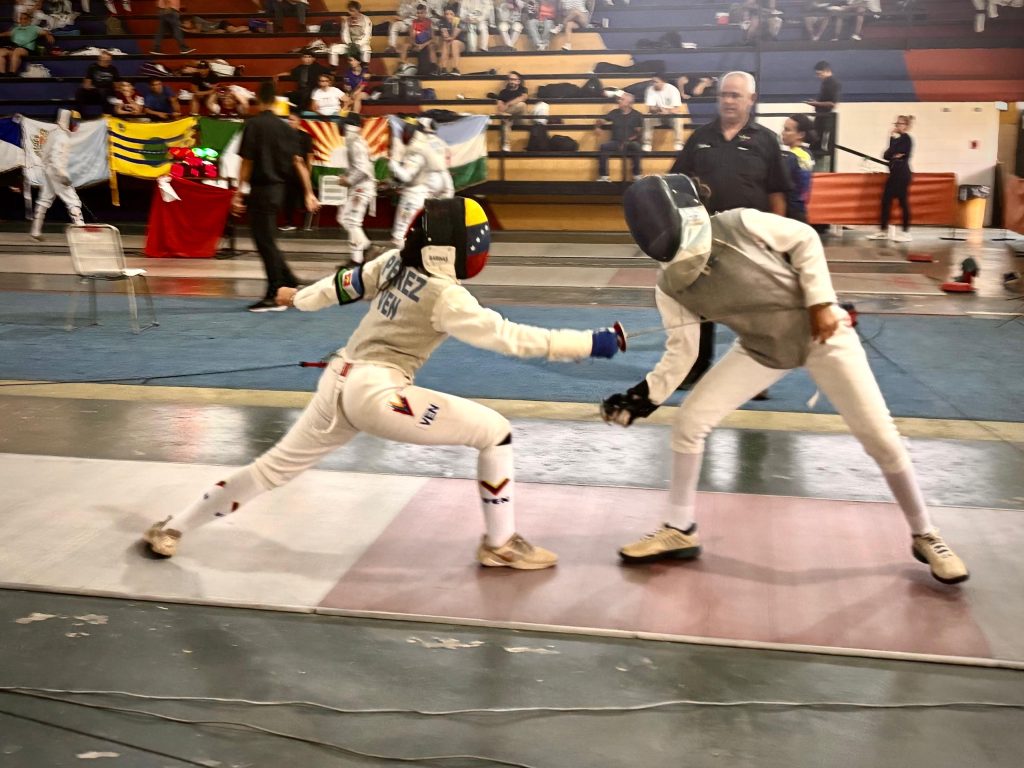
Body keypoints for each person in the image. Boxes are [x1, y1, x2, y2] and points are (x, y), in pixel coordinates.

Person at [143, 196, 626, 568]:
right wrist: (590, 343)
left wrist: (296, 299)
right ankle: (500, 544)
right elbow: (511, 338)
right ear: (456, 250)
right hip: (377, 394)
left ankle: (173, 528)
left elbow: (342, 286)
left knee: (271, 469)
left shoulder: (395, 261)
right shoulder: (447, 297)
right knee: (495, 432)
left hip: (338, 380)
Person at [602, 173, 969, 586]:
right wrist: (644, 396)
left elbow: (805, 239)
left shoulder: (740, 223)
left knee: (881, 439)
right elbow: (682, 352)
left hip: (823, 336)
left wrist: (821, 302)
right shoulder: (670, 285)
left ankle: (925, 534)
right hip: (761, 351)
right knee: (689, 423)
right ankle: (679, 528)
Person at [668, 71, 789, 391]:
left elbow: (777, 192)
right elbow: (676, 184)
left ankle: (756, 373)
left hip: (751, 239)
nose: (728, 101)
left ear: (751, 99)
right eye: (724, 94)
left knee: (755, 309)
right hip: (705, 238)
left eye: (736, 95)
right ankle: (696, 366)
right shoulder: (700, 138)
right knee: (700, 305)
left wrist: (776, 240)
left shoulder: (766, 140)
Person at [232, 81, 321, 312]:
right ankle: (289, 279)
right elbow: (299, 162)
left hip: (261, 189)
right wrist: (309, 193)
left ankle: (275, 293)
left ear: (259, 99)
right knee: (267, 240)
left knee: (264, 242)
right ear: (274, 101)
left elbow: (247, 162)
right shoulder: (286, 128)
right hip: (279, 190)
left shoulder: (253, 125)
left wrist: (239, 192)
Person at [389, 117, 454, 250]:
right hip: (445, 185)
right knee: (430, 228)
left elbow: (407, 176)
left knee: (400, 234)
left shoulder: (418, 147)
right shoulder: (439, 143)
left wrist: (392, 163)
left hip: (419, 190)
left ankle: (403, 258)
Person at [29, 109, 84, 240]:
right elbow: (55, 158)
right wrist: (62, 175)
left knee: (44, 199)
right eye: (74, 121)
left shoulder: (54, 134)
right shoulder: (62, 137)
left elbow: (44, 154)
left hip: (49, 171)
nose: (75, 124)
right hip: (57, 172)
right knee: (73, 200)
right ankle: (81, 231)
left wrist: (48, 170)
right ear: (67, 121)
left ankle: (35, 231)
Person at [337, 111, 377, 264]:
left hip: (362, 188)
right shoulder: (353, 141)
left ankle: (358, 259)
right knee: (344, 218)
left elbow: (362, 170)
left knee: (351, 221)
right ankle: (367, 247)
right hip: (360, 187)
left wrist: (348, 180)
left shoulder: (355, 143)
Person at [867, 115, 914, 243]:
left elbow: (897, 152)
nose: (897, 125)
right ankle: (883, 230)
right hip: (893, 175)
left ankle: (906, 232)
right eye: (896, 123)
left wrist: (893, 150)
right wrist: (892, 140)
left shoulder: (907, 139)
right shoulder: (897, 140)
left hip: (902, 175)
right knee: (885, 201)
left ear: (906, 126)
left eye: (900, 123)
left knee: (903, 202)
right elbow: (886, 155)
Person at [595, 92, 643, 183]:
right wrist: (598, 126)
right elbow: (601, 121)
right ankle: (604, 176)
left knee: (636, 146)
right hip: (616, 142)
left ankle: (637, 174)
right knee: (603, 147)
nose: (619, 101)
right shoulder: (614, 113)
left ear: (629, 103)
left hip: (630, 142)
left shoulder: (637, 115)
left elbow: (639, 133)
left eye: (622, 99)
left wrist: (626, 141)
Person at [280, 110, 314, 232]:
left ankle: (306, 224)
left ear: (299, 122)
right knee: (288, 199)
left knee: (305, 198)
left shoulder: (306, 137)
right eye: (289, 120)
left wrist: (308, 173)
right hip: (288, 172)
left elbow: (309, 157)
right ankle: (289, 223)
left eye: (292, 120)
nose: (290, 122)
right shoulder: (283, 137)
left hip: (301, 173)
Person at [780, 113, 815, 224]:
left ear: (800, 134)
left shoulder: (792, 156)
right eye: (784, 129)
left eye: (787, 130)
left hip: (790, 213)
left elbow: (780, 182)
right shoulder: (807, 153)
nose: (783, 133)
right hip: (800, 211)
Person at [277, 52, 331, 117]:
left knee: (306, 94)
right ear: (302, 58)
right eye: (305, 57)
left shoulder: (319, 68)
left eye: (309, 57)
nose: (307, 59)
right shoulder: (300, 67)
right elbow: (290, 73)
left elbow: (329, 75)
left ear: (313, 59)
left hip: (313, 90)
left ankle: (298, 113)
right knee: (286, 95)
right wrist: (278, 75)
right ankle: (290, 113)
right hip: (301, 90)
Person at [641, 72, 684, 152]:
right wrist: (660, 109)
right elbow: (651, 108)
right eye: (652, 82)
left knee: (678, 118)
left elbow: (677, 109)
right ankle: (647, 143)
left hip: (670, 116)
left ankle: (679, 143)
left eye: (656, 82)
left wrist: (667, 111)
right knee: (647, 118)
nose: (654, 84)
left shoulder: (673, 90)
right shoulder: (650, 89)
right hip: (657, 115)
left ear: (663, 82)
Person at [806, 60, 839, 159]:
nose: (818, 76)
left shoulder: (832, 83)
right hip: (821, 117)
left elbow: (832, 104)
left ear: (826, 70)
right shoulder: (827, 83)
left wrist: (815, 103)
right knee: (815, 142)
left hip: (825, 118)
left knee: (818, 144)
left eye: (819, 74)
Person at [493, 70, 529, 152]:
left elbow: (523, 98)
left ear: (519, 81)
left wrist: (508, 104)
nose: (511, 81)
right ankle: (506, 145)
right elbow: (500, 108)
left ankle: (505, 115)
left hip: (521, 119)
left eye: (514, 79)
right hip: (509, 119)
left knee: (521, 105)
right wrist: (504, 111)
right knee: (506, 119)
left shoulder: (523, 90)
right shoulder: (503, 92)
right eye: (510, 79)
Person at [398, 3, 435, 75]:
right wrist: (416, 45)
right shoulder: (413, 23)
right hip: (416, 44)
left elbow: (432, 38)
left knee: (432, 46)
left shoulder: (429, 22)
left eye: (421, 13)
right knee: (405, 45)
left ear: (425, 13)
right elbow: (411, 38)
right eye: (418, 13)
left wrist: (423, 45)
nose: (419, 15)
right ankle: (402, 66)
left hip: (426, 44)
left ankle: (433, 68)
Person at [339, 0, 372, 65]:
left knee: (366, 50)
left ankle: (365, 68)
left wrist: (359, 44)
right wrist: (349, 43)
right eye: (349, 11)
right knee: (333, 50)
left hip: (362, 44)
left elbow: (367, 35)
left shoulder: (366, 19)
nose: (351, 13)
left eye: (353, 11)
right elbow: (345, 34)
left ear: (358, 10)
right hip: (350, 44)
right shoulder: (347, 20)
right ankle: (334, 70)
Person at [437, 5, 465, 76]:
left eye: (451, 14)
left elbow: (453, 36)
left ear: (454, 15)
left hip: (460, 44)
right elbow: (445, 35)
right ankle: (443, 69)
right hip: (448, 44)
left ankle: (455, 69)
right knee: (445, 42)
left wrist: (450, 38)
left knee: (454, 42)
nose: (449, 16)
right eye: (447, 14)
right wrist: (448, 38)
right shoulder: (442, 22)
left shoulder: (459, 21)